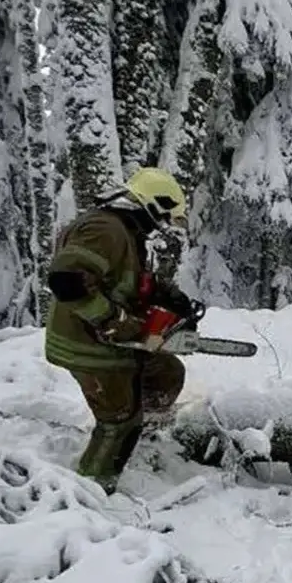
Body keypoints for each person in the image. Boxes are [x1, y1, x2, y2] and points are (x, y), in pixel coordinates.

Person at [44, 167, 199, 493]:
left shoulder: (125, 232)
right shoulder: (106, 229)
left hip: (108, 340)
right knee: (120, 422)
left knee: (166, 372)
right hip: (86, 344)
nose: (163, 224)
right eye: (164, 216)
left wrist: (167, 296)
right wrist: (114, 320)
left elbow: (127, 280)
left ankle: (146, 439)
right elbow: (66, 280)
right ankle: (91, 489)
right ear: (153, 203)